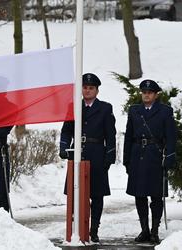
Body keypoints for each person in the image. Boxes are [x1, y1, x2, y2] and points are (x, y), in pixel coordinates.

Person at [59, 73, 116, 243]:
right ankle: (77, 227)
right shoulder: (74, 106)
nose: (87, 90)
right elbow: (66, 130)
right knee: (74, 193)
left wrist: (110, 155)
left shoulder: (105, 108)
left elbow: (110, 134)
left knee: (97, 195)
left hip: (97, 153)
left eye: (91, 88)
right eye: (85, 87)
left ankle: (94, 229)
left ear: (97, 90)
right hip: (77, 153)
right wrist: (63, 147)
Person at [123, 79, 177, 244]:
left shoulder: (165, 111)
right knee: (139, 195)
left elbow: (171, 136)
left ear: (155, 94)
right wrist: (126, 160)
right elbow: (128, 136)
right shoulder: (134, 111)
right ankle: (144, 230)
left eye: (149, 92)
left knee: (156, 196)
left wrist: (169, 156)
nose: (146, 95)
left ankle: (154, 231)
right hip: (137, 155)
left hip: (155, 155)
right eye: (144, 92)